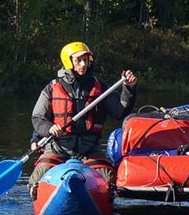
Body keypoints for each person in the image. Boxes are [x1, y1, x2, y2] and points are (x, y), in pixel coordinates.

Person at [29, 41, 138, 193]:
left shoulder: (100, 87)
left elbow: (119, 112)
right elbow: (37, 118)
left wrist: (129, 89)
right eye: (78, 60)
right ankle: (37, 191)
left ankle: (103, 198)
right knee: (39, 174)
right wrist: (49, 128)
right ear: (68, 62)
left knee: (109, 179)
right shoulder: (52, 87)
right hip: (59, 147)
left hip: (89, 148)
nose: (83, 64)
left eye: (85, 60)